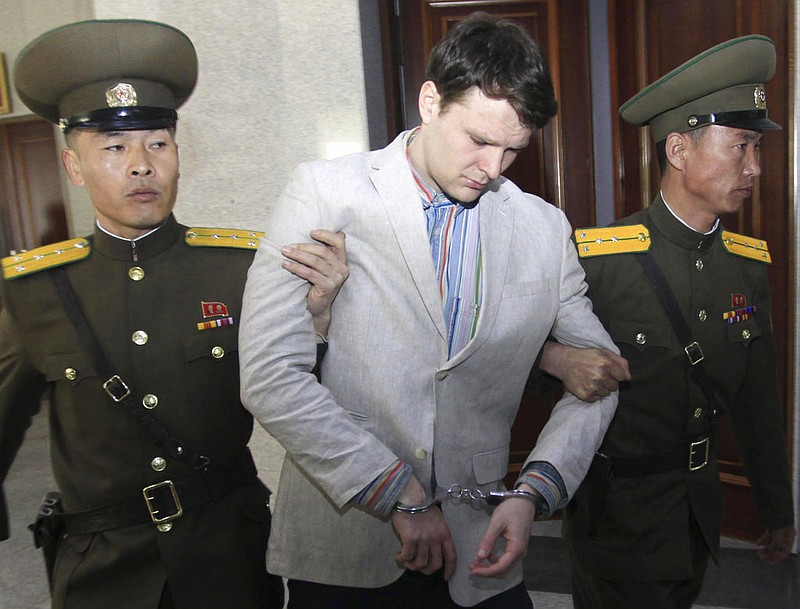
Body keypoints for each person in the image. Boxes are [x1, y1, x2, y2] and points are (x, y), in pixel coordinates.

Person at [238, 12, 627, 609]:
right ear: (429, 102)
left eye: (512, 150)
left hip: (481, 548)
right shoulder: (326, 192)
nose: (493, 170)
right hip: (347, 541)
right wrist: (398, 492)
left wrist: (532, 493)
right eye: (478, 140)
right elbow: (269, 373)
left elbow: (602, 373)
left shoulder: (543, 229)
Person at [0, 19, 349, 609]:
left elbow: (304, 396)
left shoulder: (240, 268)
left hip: (227, 558)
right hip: (101, 575)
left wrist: (318, 322)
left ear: (178, 156)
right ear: (74, 168)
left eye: (157, 143)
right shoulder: (34, 291)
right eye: (114, 148)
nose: (141, 165)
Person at [539, 35, 796, 609]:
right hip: (616, 519)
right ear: (679, 151)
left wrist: (776, 507)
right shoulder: (599, 260)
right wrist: (555, 360)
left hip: (697, 514)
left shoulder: (746, 265)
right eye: (741, 146)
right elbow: (517, 361)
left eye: (757, 148)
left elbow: (758, 399)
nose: (755, 167)